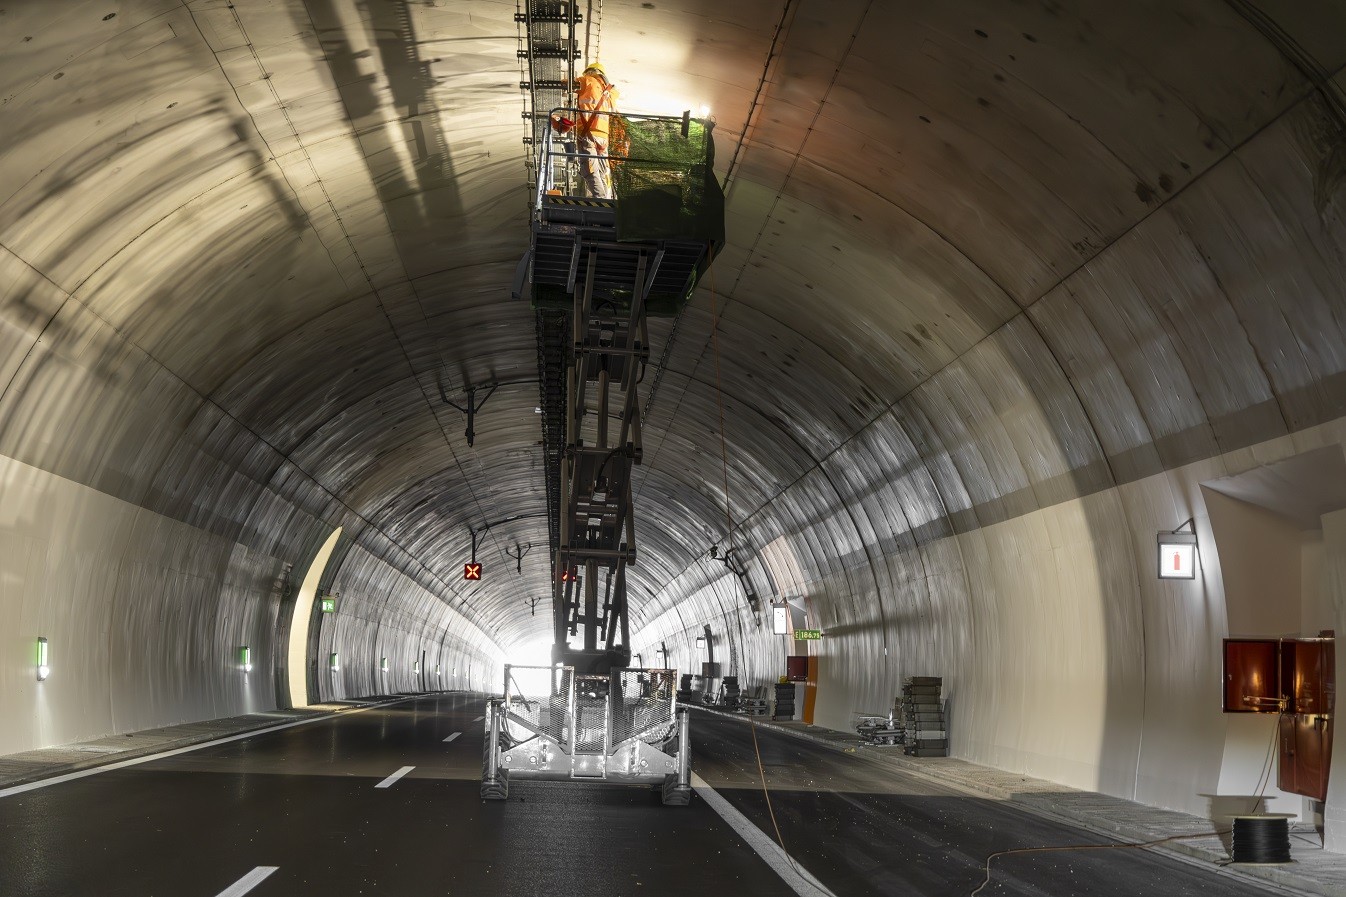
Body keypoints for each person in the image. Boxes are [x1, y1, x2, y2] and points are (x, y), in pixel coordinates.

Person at [572, 61, 619, 199]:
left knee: (590, 171)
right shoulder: (610, 93)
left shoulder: (587, 80)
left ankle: (601, 201)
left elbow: (566, 83)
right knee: (603, 170)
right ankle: (608, 200)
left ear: (590, 72)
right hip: (603, 137)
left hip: (588, 133)